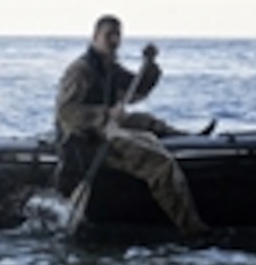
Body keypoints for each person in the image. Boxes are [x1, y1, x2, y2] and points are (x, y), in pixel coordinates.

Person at [54, 14, 210, 236]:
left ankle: (192, 139)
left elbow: (138, 89)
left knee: (147, 122)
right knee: (159, 163)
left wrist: (150, 65)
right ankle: (192, 228)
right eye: (109, 35)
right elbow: (66, 112)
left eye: (118, 35)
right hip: (87, 140)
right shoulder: (81, 71)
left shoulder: (109, 68)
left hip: (107, 127)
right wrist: (104, 114)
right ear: (95, 37)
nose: (114, 40)